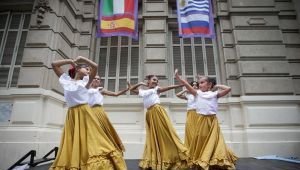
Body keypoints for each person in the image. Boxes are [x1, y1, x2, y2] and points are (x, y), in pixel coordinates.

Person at [50, 56, 127, 170]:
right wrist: (70, 61)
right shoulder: (65, 80)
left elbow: (95, 66)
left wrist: (82, 58)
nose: (88, 71)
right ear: (77, 69)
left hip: (85, 112)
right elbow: (54, 64)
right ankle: (78, 162)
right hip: (72, 114)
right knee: (75, 139)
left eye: (88, 70)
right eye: (86, 69)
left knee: (93, 139)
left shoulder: (86, 81)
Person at [175, 69, 238, 170]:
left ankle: (214, 159)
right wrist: (179, 78)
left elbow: (228, 88)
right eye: (199, 83)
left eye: (202, 82)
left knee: (214, 140)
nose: (200, 84)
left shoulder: (214, 94)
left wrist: (216, 86)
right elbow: (187, 85)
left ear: (209, 85)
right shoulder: (197, 93)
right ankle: (202, 158)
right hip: (201, 120)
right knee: (202, 139)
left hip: (212, 121)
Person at [129, 75, 189, 170]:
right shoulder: (144, 91)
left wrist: (179, 85)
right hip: (150, 113)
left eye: (157, 80)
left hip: (157, 112)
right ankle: (158, 157)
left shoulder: (156, 89)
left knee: (163, 134)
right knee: (154, 136)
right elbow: (131, 89)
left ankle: (174, 155)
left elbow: (168, 87)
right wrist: (140, 83)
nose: (155, 82)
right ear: (148, 81)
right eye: (153, 80)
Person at [88, 75, 130, 153]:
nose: (96, 80)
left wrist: (127, 89)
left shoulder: (100, 90)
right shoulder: (85, 89)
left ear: (100, 82)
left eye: (98, 79)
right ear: (91, 80)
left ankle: (105, 150)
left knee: (103, 131)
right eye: (95, 78)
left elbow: (116, 94)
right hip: (89, 112)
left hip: (99, 112)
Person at [176, 81, 199, 149]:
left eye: (196, 85)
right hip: (190, 113)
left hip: (198, 114)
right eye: (193, 85)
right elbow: (178, 95)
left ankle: (198, 147)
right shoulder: (189, 96)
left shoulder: (199, 94)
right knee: (190, 131)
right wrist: (186, 89)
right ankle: (191, 147)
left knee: (197, 131)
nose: (194, 86)